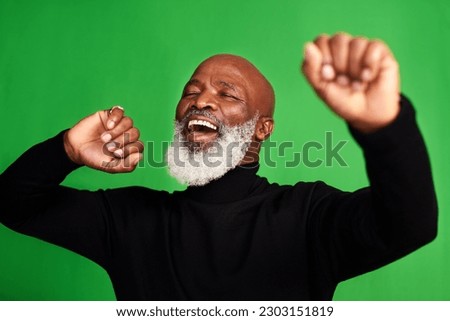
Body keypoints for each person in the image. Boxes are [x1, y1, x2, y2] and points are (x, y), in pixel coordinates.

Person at [0, 33, 437, 300]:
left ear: (262, 129)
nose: (202, 101)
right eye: (192, 91)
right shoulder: (131, 220)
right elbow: (12, 204)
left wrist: (385, 127)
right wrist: (66, 151)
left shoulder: (308, 216)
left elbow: (410, 224)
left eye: (227, 94)